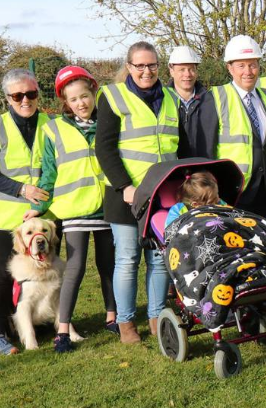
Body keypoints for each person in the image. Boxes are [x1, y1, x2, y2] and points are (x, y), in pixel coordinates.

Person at [25, 66, 114, 353]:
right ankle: (63, 329)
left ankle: (113, 317)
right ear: (66, 102)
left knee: (108, 266)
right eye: (73, 99)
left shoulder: (109, 122)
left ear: (93, 93)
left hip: (107, 207)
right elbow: (48, 173)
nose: (81, 103)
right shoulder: (53, 130)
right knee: (74, 268)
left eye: (85, 96)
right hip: (74, 211)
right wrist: (39, 207)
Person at [96, 41, 180, 343]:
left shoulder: (170, 97)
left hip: (163, 195)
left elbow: (176, 146)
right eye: (140, 66)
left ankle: (157, 316)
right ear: (129, 67)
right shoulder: (112, 96)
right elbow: (104, 148)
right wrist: (124, 186)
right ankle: (126, 323)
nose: (147, 71)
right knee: (128, 259)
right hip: (126, 195)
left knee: (158, 259)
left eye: (152, 65)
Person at [0, 69, 52, 355]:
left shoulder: (51, 124)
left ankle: (41, 325)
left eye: (31, 94)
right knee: (2, 276)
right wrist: (22, 189)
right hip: (6, 218)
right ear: (7, 98)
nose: (25, 100)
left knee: (47, 272)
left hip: (42, 217)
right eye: (18, 95)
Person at [210, 34, 266, 244]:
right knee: (238, 246)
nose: (248, 71)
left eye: (253, 65)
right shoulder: (216, 98)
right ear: (230, 68)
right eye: (241, 66)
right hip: (234, 193)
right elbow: (207, 151)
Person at [168, 46, 217, 159]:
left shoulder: (211, 101)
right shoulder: (162, 102)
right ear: (171, 71)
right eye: (182, 69)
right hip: (173, 172)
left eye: (191, 69)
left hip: (205, 171)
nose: (187, 74)